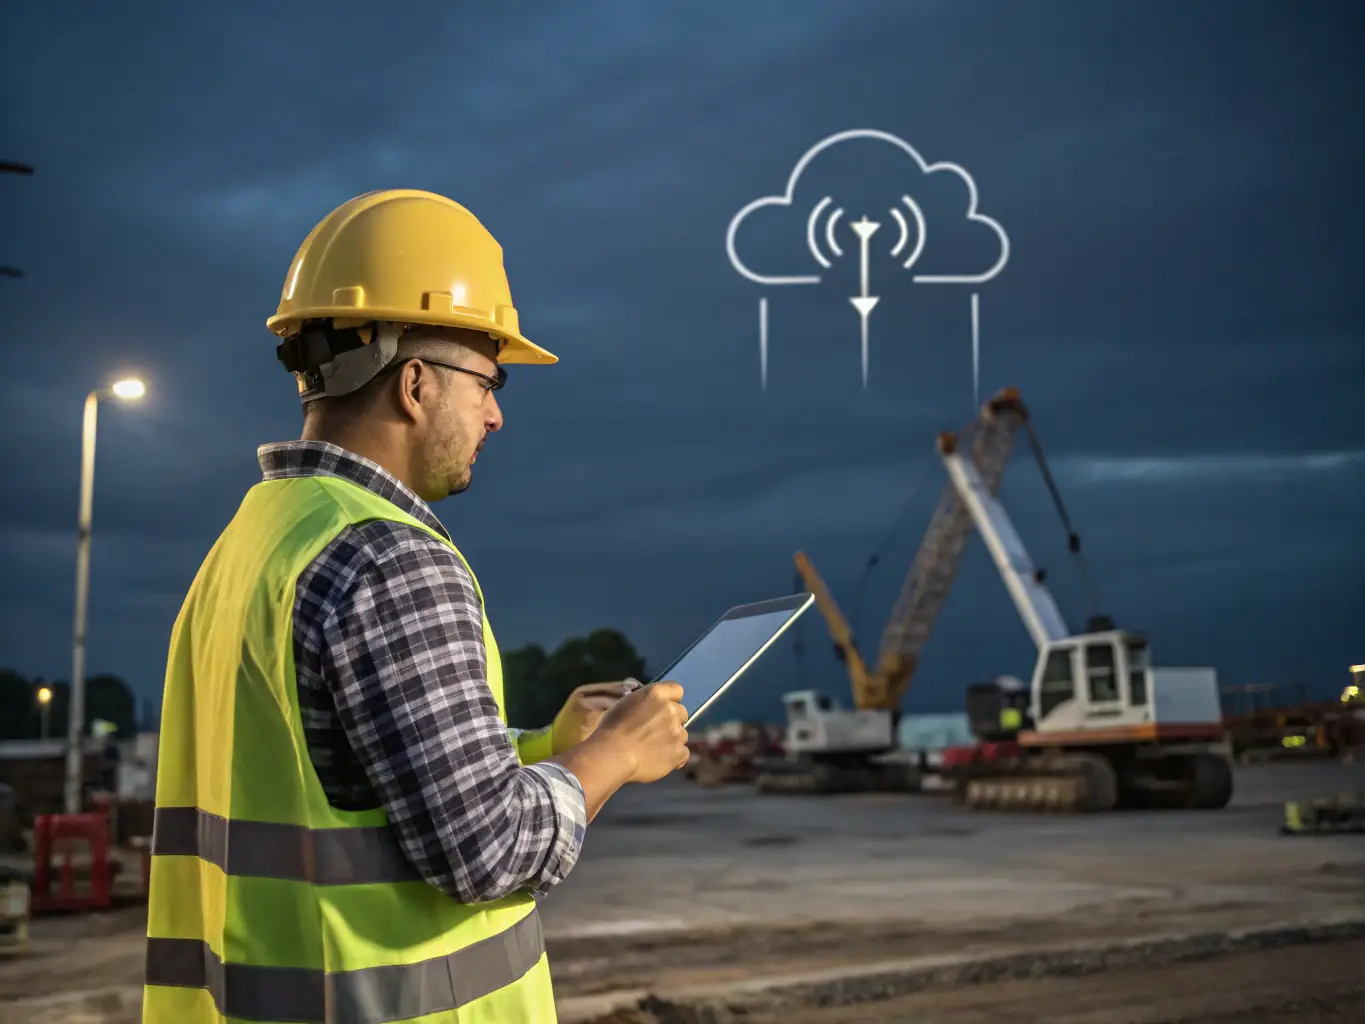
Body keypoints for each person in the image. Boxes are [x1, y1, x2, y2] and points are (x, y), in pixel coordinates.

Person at [142, 189, 691, 1024]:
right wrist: (615, 757)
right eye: (489, 381)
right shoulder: (388, 558)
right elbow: (488, 849)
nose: (496, 415)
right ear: (414, 384)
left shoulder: (253, 543)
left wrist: (546, 746)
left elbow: (350, 770)